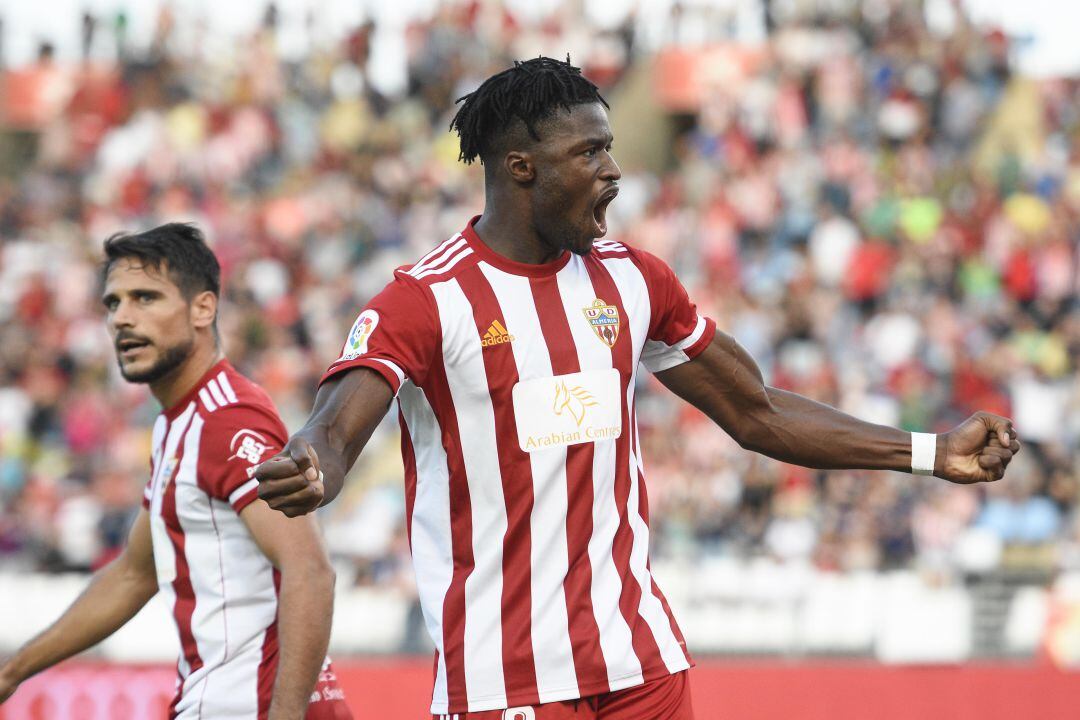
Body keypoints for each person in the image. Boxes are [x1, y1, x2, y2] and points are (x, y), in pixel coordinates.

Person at [254, 57, 1021, 720]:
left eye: (611, 149)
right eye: (590, 153)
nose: (614, 171)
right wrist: (313, 465)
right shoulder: (425, 300)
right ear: (523, 166)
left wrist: (930, 451)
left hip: (639, 664)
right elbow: (335, 425)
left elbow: (756, 411)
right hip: (504, 676)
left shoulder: (632, 279)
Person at [0, 224, 352, 720]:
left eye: (145, 298)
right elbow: (132, 574)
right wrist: (11, 672)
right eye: (113, 303)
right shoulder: (179, 423)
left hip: (247, 705)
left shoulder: (226, 419)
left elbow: (310, 570)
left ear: (203, 308)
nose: (123, 318)